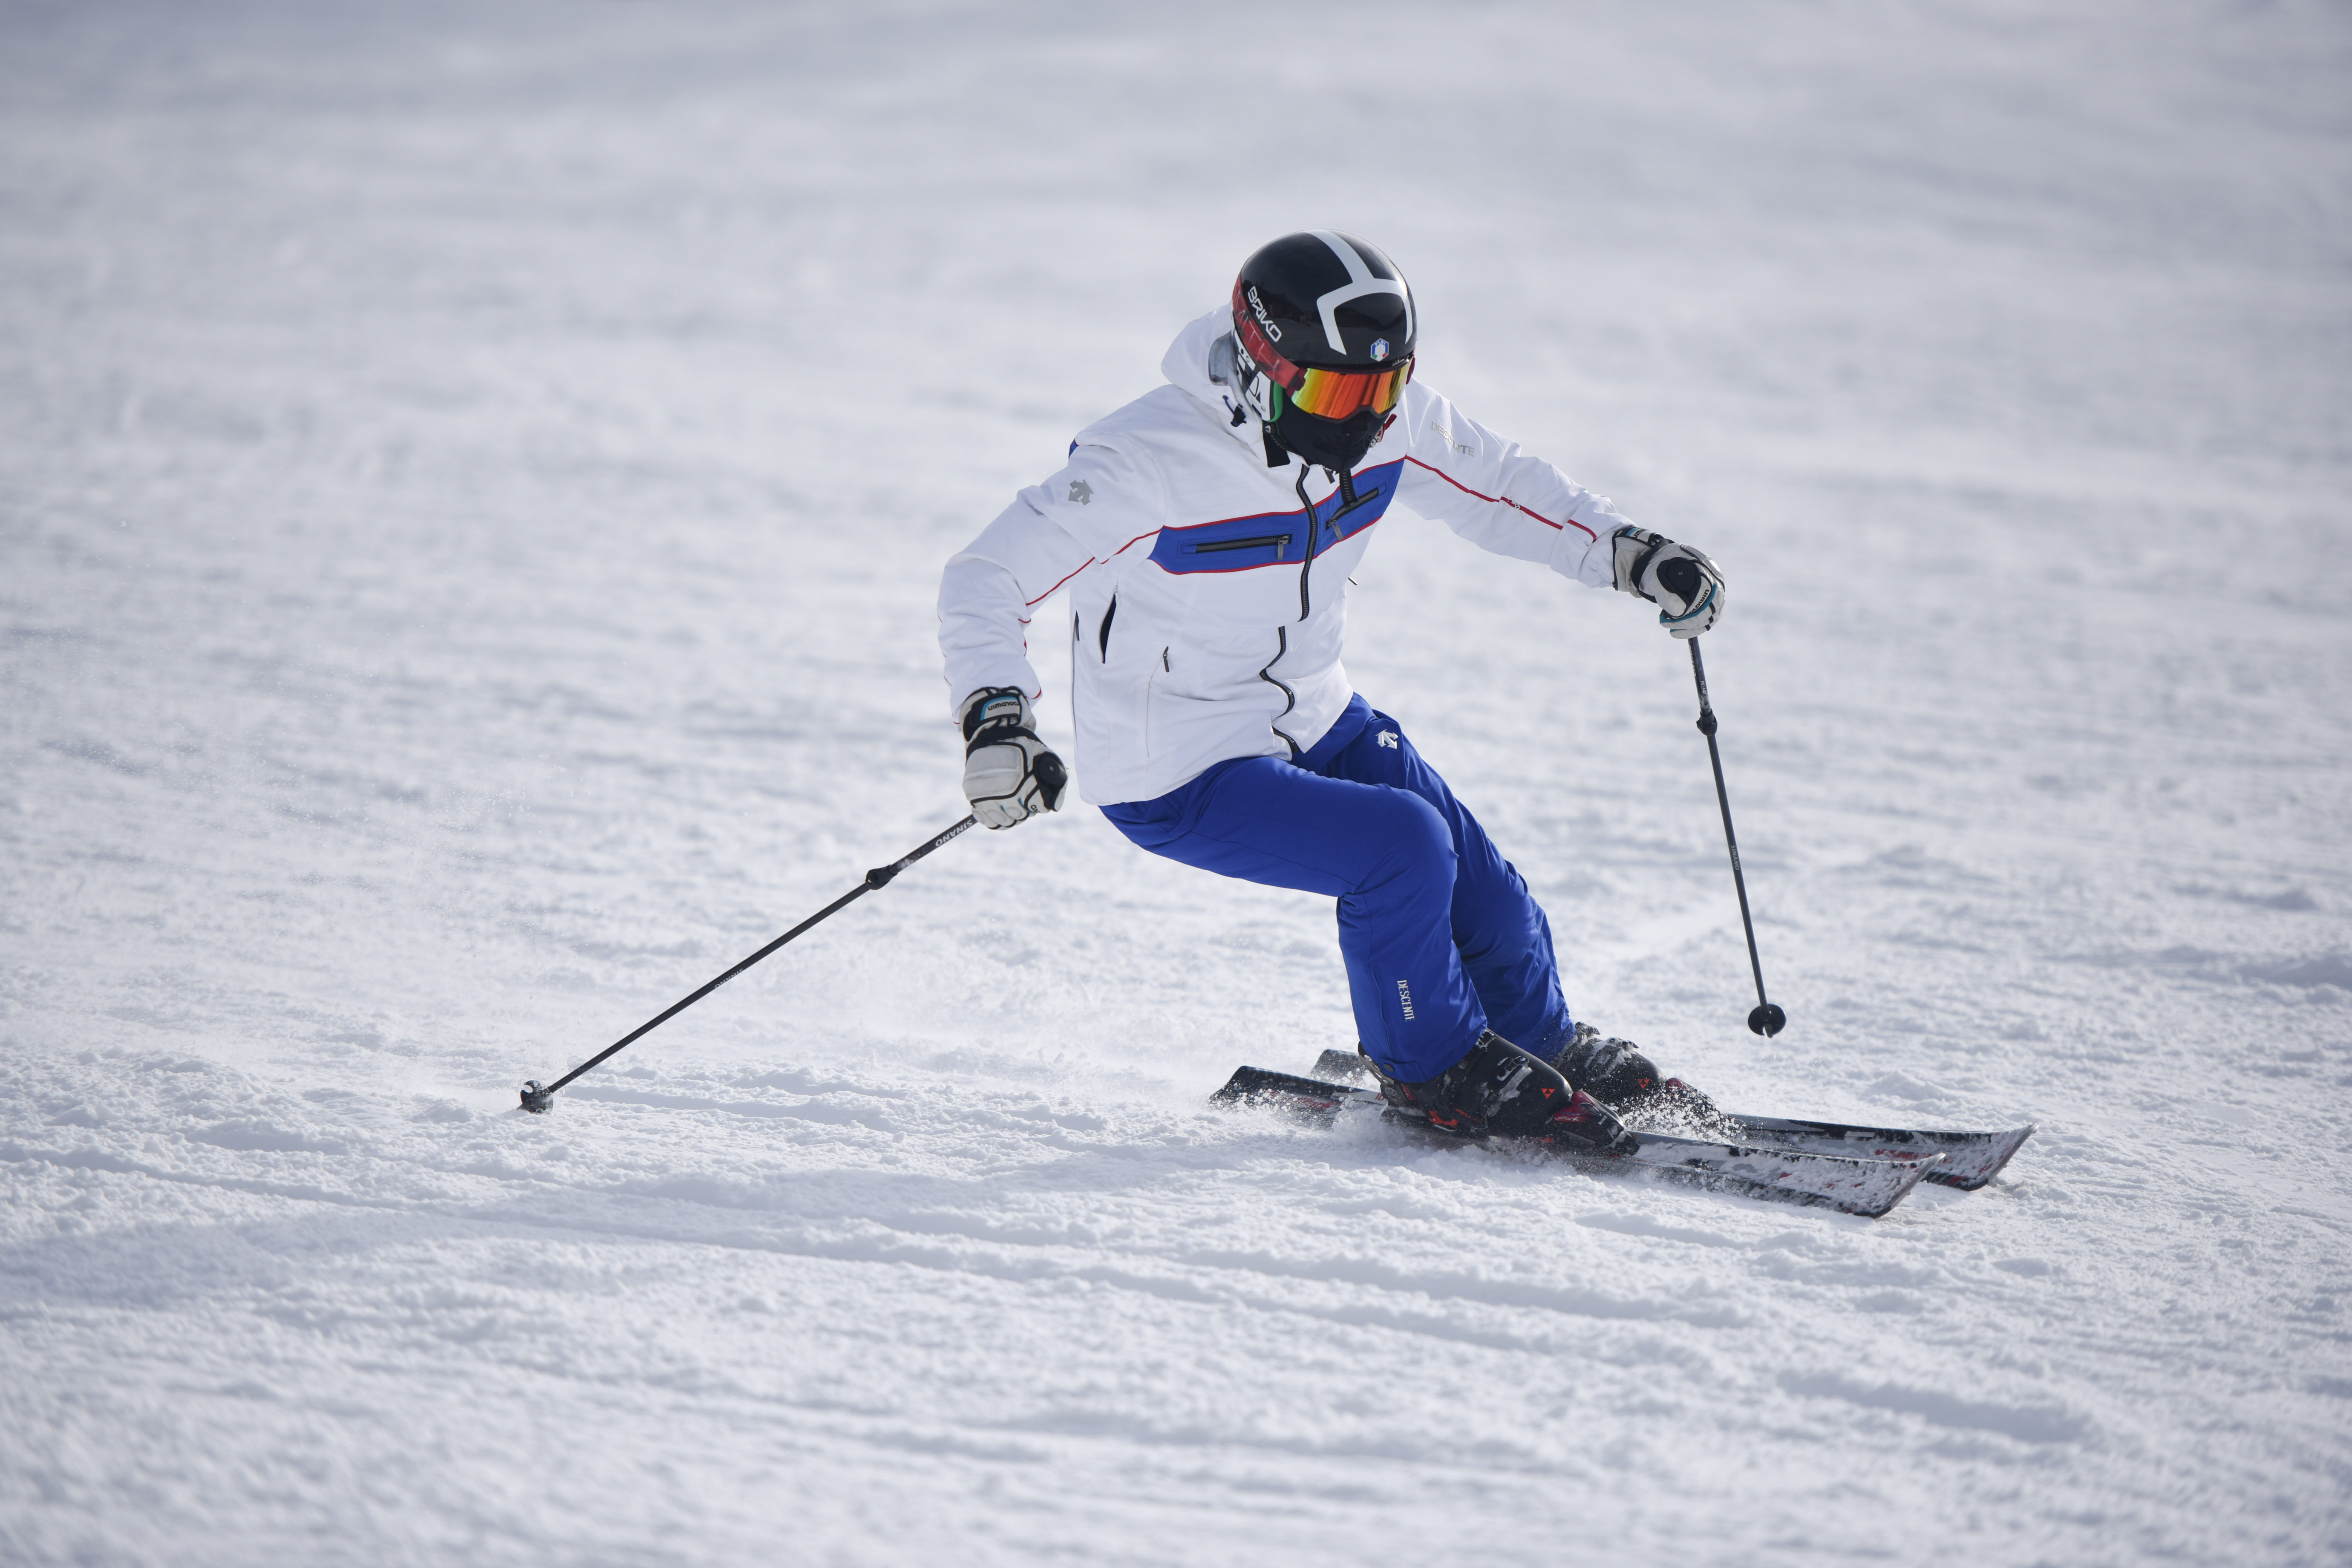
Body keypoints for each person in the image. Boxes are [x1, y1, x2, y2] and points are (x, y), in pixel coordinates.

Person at [937, 232, 1724, 1152]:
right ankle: (1435, 1069)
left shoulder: (1383, 418)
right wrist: (996, 720)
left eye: (1383, 391)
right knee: (1401, 848)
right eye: (1339, 393)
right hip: (1177, 764)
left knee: (1489, 894)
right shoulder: (1145, 462)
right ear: (1261, 366)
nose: (1366, 419)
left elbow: (1501, 485)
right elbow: (987, 575)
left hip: (1314, 712)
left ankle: (1533, 1041)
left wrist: (1629, 551)